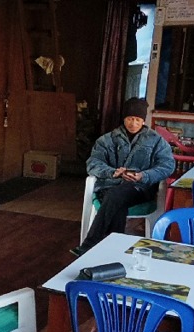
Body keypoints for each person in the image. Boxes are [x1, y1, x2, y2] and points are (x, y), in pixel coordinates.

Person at [71, 97, 174, 256]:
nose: (133, 123)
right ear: (124, 119)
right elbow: (93, 163)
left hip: (140, 188)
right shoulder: (107, 139)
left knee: (115, 195)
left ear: (143, 120)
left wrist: (143, 175)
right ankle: (114, 252)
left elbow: (167, 165)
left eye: (137, 119)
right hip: (111, 185)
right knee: (117, 201)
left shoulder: (156, 140)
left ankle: (89, 244)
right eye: (130, 119)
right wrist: (112, 172)